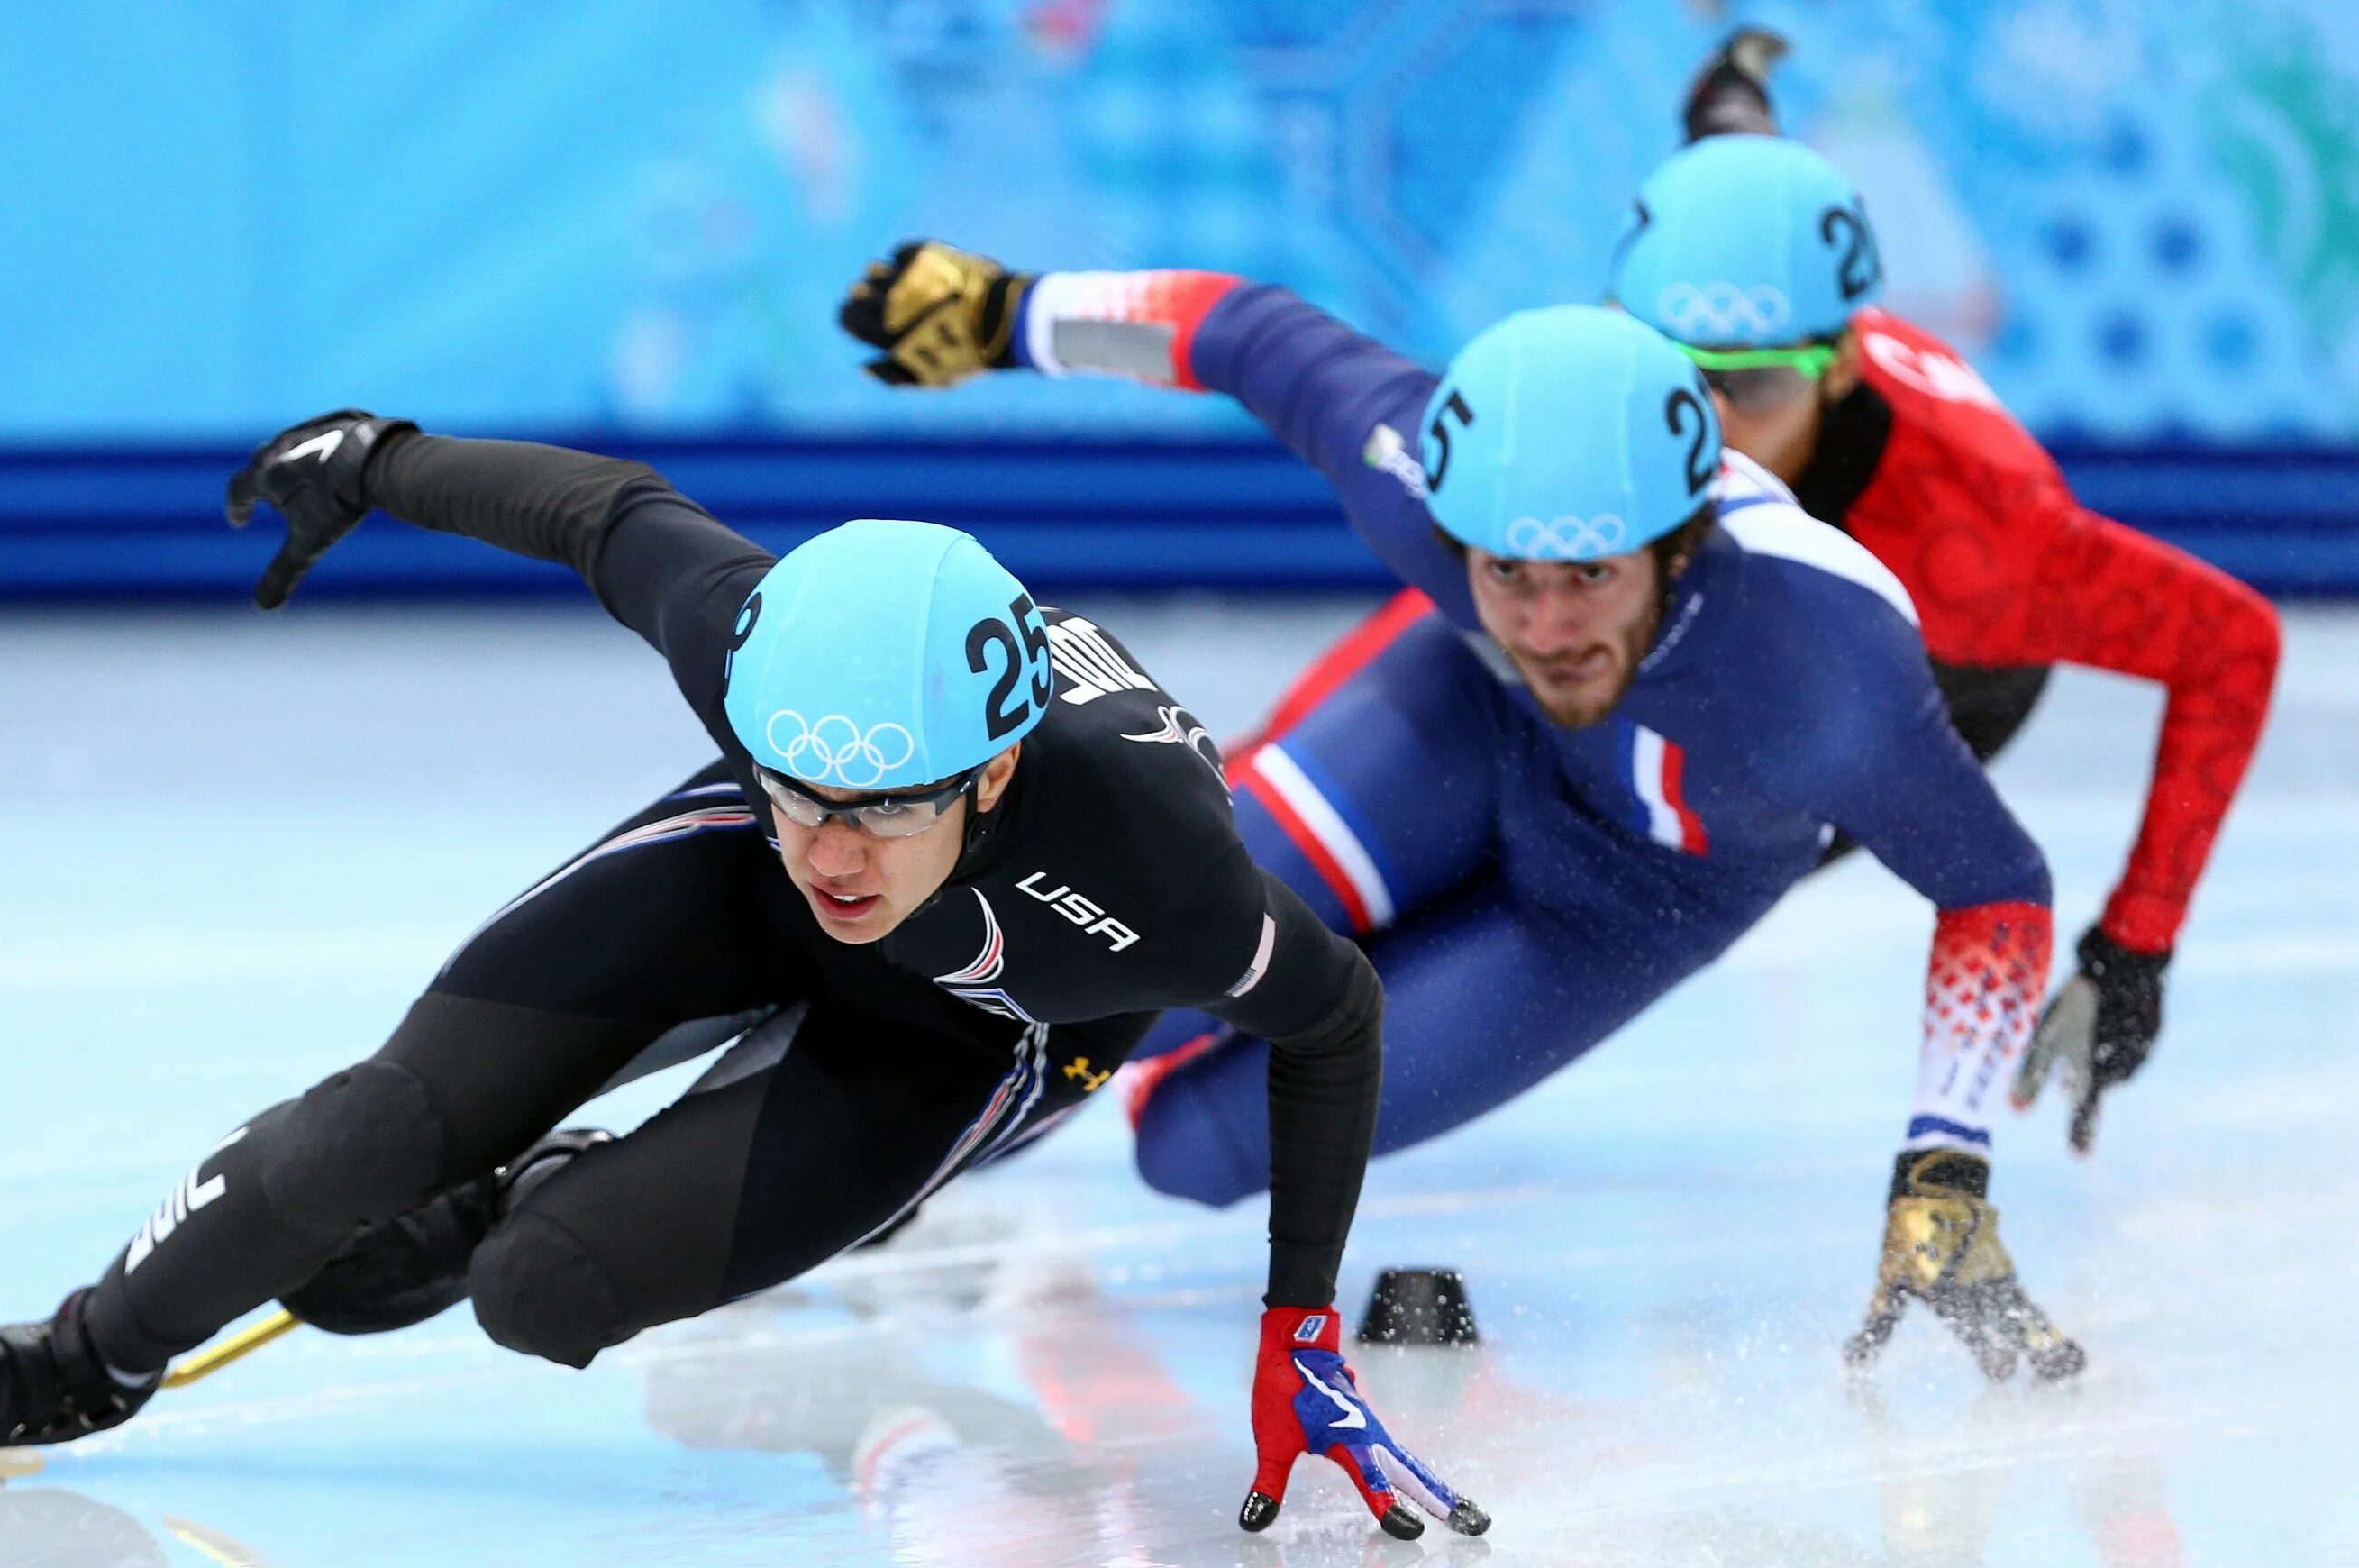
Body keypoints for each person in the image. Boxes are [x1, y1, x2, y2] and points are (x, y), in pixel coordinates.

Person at [0, 412, 1487, 1541]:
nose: (836, 849)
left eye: (886, 810)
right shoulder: (761, 657)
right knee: (347, 1147)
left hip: (983, 1027)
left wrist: (1299, 1329)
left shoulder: (1152, 874)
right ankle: (85, 1362)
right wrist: (373, 458)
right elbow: (607, 515)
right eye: (804, 789)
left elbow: (1334, 1015)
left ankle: (519, 1204)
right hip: (727, 891)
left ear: (990, 779)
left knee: (535, 1294)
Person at [842, 253, 2079, 1381]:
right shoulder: (1416, 470)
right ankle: (841, 1166)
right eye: (1508, 576)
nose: (1546, 628)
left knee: (1192, 1150)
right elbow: (1244, 329)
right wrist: (1011, 313)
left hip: (1635, 901)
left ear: (1686, 537)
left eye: (1591, 576)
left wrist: (1944, 1163)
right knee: (1105, 984)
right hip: (1470, 732)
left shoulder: (1824, 667)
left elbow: (1998, 886)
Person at [1623, 32, 2282, 1152]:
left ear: (1835, 361)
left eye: (1759, 384)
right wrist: (1735, 80)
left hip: (1947, 659)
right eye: (1677, 375)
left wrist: (2134, 945)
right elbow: (1739, 156)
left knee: (1651, 877)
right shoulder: (1743, 252)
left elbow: (2234, 641)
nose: (1712, 425)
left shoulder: (1992, 538)